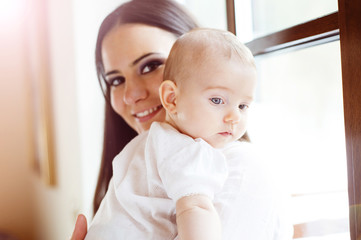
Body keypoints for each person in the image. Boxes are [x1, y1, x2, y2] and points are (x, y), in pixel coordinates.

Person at [70, 0, 293, 239]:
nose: (131, 95)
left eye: (151, 66)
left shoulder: (242, 170)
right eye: (115, 80)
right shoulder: (136, 169)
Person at [85, 28, 257, 240]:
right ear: (172, 99)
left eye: (243, 106)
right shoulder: (187, 150)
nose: (234, 117)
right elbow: (197, 209)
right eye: (217, 100)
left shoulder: (146, 143)